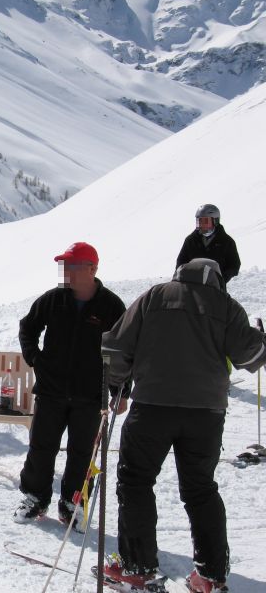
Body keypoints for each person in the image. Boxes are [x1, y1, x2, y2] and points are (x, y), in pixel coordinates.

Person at [101, 258, 266, 593]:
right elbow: (250, 356)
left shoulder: (154, 297)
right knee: (200, 489)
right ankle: (210, 576)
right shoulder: (226, 305)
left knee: (135, 482)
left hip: (152, 407)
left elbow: (114, 346)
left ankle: (137, 568)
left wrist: (118, 384)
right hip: (206, 413)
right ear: (216, 280)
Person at [13, 242, 126, 531]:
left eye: (72, 265)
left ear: (92, 269)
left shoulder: (111, 306)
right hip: (51, 389)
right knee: (41, 446)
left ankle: (73, 502)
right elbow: (28, 328)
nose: (66, 271)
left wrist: (121, 391)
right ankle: (35, 497)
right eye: (64, 265)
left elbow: (124, 351)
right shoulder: (53, 299)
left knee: (82, 452)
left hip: (91, 395)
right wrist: (35, 359)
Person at [176, 204, 240, 283]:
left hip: (215, 286)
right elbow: (180, 262)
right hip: (192, 285)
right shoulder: (190, 240)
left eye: (205, 221)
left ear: (215, 221)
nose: (202, 225)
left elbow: (234, 265)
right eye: (199, 221)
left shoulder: (227, 241)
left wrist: (221, 279)